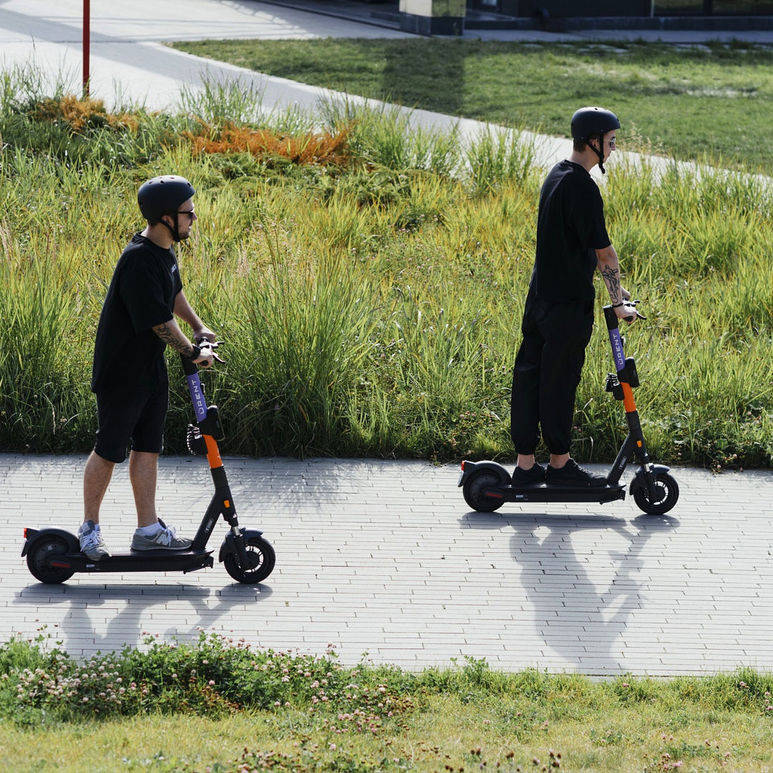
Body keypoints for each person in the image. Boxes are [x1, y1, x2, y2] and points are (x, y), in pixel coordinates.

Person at [78, 175, 216, 560]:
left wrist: (199, 326)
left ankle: (148, 531)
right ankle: (89, 529)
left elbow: (173, 294)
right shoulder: (138, 260)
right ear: (165, 217)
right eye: (187, 212)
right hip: (122, 373)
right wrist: (191, 351)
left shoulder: (164, 252)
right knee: (108, 450)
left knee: (148, 449)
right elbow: (158, 321)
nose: (193, 218)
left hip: (149, 368)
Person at [510, 106, 639, 488]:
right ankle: (561, 465)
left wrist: (616, 288)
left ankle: (526, 465)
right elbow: (605, 254)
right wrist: (619, 303)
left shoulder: (556, 175)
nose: (614, 149)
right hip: (567, 308)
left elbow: (567, 246)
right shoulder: (583, 187)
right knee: (559, 383)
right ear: (592, 142)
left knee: (530, 379)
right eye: (611, 142)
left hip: (540, 301)